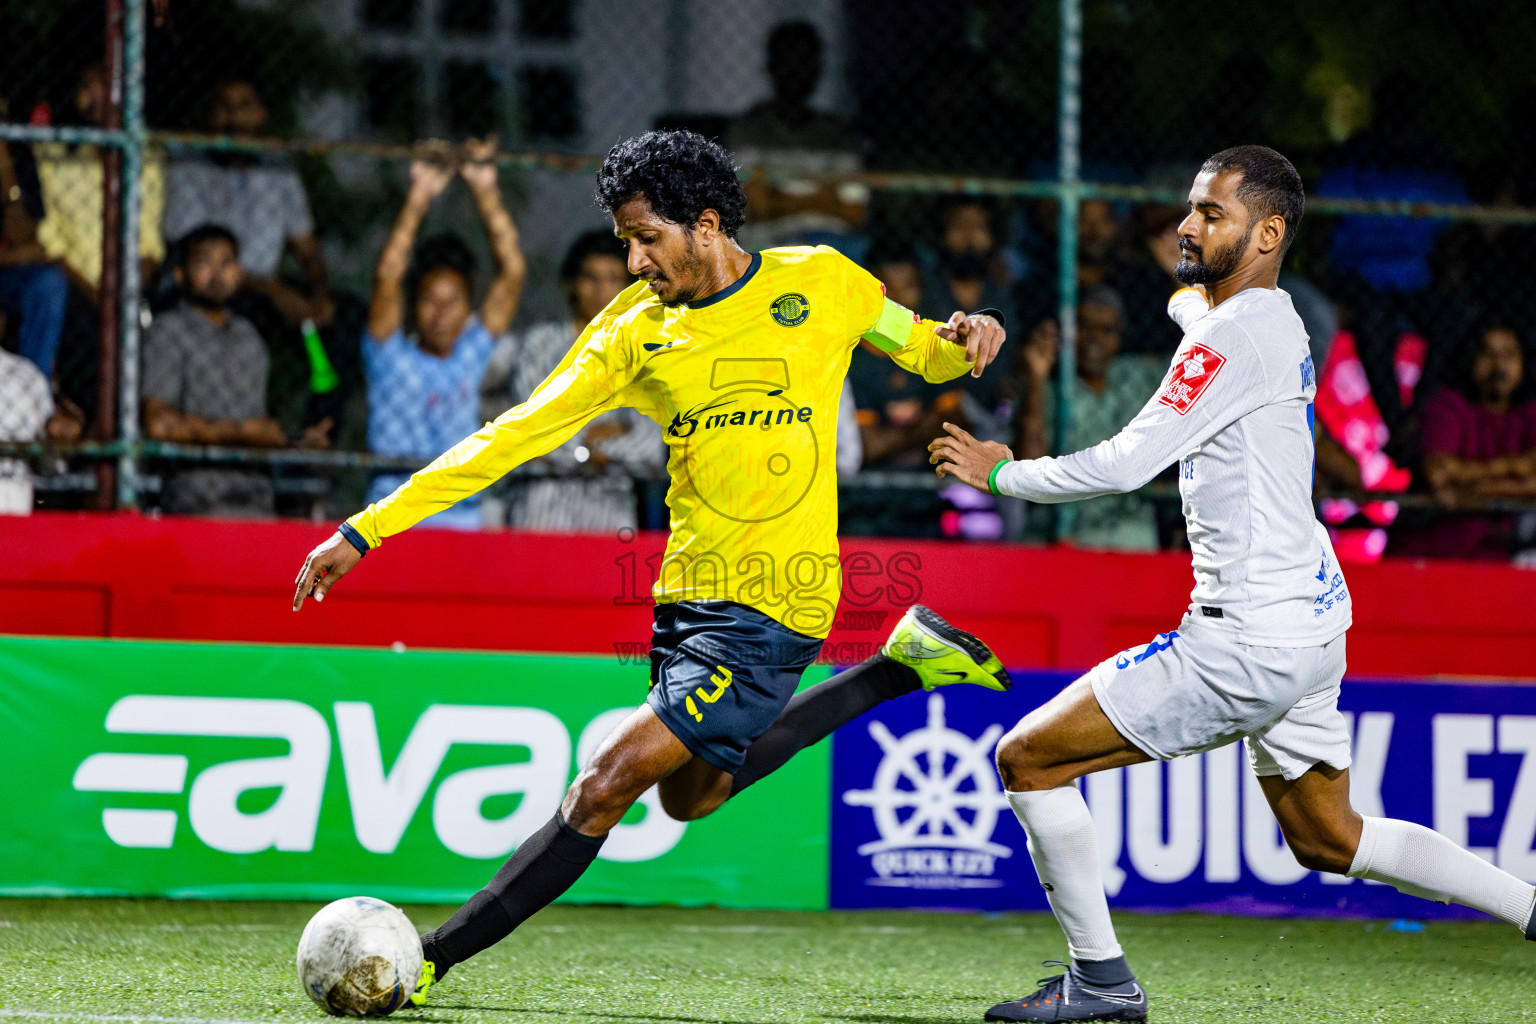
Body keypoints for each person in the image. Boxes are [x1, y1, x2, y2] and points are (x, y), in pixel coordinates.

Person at [292, 130, 1010, 1007]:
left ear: (706, 224)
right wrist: (368, 529)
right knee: (690, 800)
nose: (633, 260)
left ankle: (429, 960)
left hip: (774, 605)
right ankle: (898, 668)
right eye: (624, 241)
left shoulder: (821, 280)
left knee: (604, 784)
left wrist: (970, 333)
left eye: (647, 238)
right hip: (684, 606)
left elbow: (927, 349)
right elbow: (511, 436)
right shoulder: (633, 330)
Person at [930, 146, 1536, 1023]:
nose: (1187, 223)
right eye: (1191, 209)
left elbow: (1127, 462)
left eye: (1211, 214)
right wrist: (1184, 297)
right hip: (1315, 622)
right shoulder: (1277, 318)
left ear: (1269, 231)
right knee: (1333, 836)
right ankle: (1530, 907)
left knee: (1027, 759)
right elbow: (1199, 316)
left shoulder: (1227, 335)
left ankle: (1102, 985)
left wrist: (1001, 475)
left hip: (1243, 639)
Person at [362, 138, 526, 530]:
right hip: (389, 520)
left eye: (451, 302)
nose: (440, 315)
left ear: (468, 309)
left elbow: (513, 272)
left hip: (462, 521)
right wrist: (419, 195)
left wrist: (485, 190)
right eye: (429, 301)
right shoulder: (389, 357)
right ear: (412, 307)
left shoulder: (470, 354)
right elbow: (388, 275)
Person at [478, 229, 663, 532]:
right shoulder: (541, 344)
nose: (602, 290)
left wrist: (572, 439)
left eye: (613, 279)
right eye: (591, 278)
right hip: (540, 512)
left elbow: (650, 448)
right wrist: (592, 448)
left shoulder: (638, 355)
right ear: (573, 284)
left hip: (610, 517)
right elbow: (534, 433)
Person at [140, 225, 300, 517]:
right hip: (197, 498)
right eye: (205, 262)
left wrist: (292, 439)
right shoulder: (168, 331)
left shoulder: (249, 336)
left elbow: (264, 429)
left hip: (257, 496)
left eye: (227, 262)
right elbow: (160, 425)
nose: (217, 274)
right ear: (179, 273)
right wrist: (245, 433)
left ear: (239, 273)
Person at [1010, 286, 1164, 551]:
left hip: (1127, 525)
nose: (1094, 338)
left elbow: (1203, 362)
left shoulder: (1137, 376)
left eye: (1107, 331)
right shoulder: (1048, 390)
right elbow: (1028, 467)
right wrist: (1035, 379)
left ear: (1120, 337)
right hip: (1062, 527)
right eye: (1084, 327)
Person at [1392, 321, 1536, 560]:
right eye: (1488, 354)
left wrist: (1466, 491)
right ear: (1471, 359)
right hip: (1428, 552)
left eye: (1508, 355)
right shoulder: (1447, 405)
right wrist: (1513, 467)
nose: (1499, 366)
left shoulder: (1528, 414)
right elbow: (1437, 476)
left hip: (1494, 556)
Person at [726, 20, 868, 253]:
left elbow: (854, 212)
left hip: (831, 249)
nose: (796, 69)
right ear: (771, 66)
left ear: (818, 68)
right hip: (767, 250)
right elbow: (754, 207)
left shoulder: (837, 135)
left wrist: (780, 199)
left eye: (804, 60)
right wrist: (824, 198)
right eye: (788, 59)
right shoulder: (750, 131)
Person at [0, 136, 67, 379]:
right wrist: (16, 256)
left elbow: (26, 237)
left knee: (48, 284)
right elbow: (27, 251)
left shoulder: (17, 151)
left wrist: (6, 176)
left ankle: (32, 390)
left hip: (8, 274)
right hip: (8, 261)